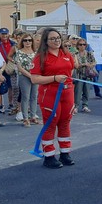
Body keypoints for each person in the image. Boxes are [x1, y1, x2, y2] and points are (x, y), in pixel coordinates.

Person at [30, 28, 77, 169]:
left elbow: (71, 69)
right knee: (50, 123)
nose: (56, 41)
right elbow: (34, 78)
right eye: (52, 38)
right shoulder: (40, 57)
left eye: (58, 38)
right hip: (50, 94)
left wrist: (66, 81)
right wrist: (55, 78)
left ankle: (65, 153)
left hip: (67, 92)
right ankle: (49, 156)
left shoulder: (66, 54)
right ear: (46, 41)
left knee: (65, 122)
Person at [14, 33, 39, 127]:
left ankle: (33, 116)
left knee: (34, 97)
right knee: (25, 97)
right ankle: (25, 118)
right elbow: (19, 68)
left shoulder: (36, 52)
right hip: (24, 77)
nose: (28, 42)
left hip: (35, 76)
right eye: (25, 40)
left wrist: (36, 76)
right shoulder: (19, 52)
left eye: (29, 40)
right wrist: (30, 76)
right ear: (22, 42)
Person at [0, 28, 16, 113]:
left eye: (6, 34)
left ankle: (10, 103)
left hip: (9, 67)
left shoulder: (12, 43)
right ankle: (1, 104)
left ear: (8, 34)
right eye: (3, 34)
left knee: (11, 86)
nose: (4, 36)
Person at [74, 38, 96, 114]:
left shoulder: (89, 53)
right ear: (77, 46)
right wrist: (84, 64)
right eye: (80, 44)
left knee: (86, 91)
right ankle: (75, 106)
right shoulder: (75, 55)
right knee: (78, 91)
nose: (82, 46)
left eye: (84, 44)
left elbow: (94, 62)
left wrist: (89, 65)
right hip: (79, 75)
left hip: (88, 75)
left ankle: (85, 105)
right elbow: (76, 65)